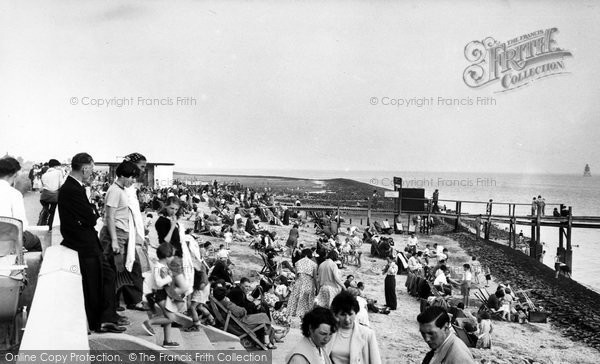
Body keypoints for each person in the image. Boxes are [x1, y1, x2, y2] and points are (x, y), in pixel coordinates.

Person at [58, 153, 125, 333]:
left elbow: (88, 215)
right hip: (84, 244)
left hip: (86, 243)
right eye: (91, 169)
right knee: (94, 284)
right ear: (85, 168)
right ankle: (100, 322)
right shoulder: (72, 189)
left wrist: (90, 214)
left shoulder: (72, 187)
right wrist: (92, 213)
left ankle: (107, 318)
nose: (92, 173)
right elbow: (90, 216)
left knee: (107, 276)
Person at [98, 161, 140, 315]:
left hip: (120, 234)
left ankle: (113, 307)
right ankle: (110, 311)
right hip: (115, 235)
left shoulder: (120, 190)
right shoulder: (115, 191)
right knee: (113, 274)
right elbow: (110, 217)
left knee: (117, 273)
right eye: (131, 177)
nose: (133, 181)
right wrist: (115, 241)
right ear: (122, 175)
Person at [141, 243, 180, 348]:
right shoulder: (159, 267)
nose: (173, 257)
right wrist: (170, 278)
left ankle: (167, 341)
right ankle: (149, 322)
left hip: (161, 294)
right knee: (171, 318)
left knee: (168, 316)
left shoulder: (160, 265)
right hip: (160, 294)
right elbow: (159, 282)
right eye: (172, 255)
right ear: (167, 256)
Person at [326, 291, 381, 364]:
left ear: (356, 312)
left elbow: (376, 361)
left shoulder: (367, 334)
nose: (347, 319)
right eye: (342, 315)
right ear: (336, 314)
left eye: (350, 314)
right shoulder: (329, 332)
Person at [288, 249, 318, 318]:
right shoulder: (314, 264)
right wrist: (317, 289)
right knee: (307, 304)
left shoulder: (298, 262)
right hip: (308, 285)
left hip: (298, 284)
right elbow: (315, 278)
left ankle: (294, 319)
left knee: (296, 302)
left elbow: (296, 277)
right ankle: (304, 319)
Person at [37, 158, 64, 229]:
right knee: (53, 211)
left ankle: (41, 221)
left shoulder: (44, 175)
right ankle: (50, 226)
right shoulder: (59, 172)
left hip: (44, 196)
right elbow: (61, 184)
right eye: (58, 166)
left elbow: (40, 188)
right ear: (55, 166)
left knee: (45, 208)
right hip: (54, 196)